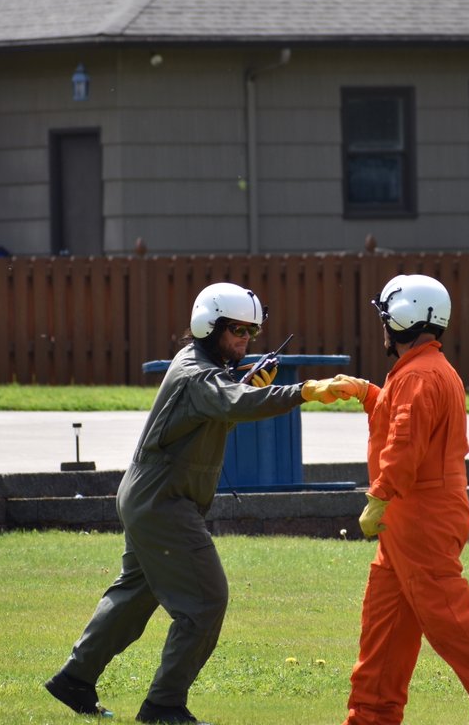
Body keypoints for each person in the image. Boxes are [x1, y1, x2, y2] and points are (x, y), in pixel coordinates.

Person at [45, 281, 351, 725]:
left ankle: (74, 679)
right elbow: (232, 402)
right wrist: (302, 391)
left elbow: (217, 412)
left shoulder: (207, 370)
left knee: (134, 595)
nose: (244, 341)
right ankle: (163, 706)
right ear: (209, 328)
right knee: (206, 602)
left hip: (153, 497)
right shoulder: (198, 373)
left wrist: (242, 384)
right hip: (163, 502)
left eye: (250, 333)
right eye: (236, 331)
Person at [332, 274, 469, 725]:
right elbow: (405, 417)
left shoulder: (420, 375)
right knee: (384, 634)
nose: (382, 327)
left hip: (418, 519)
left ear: (403, 319)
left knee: (454, 626)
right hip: (412, 520)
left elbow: (405, 443)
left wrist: (379, 498)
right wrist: (366, 393)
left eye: (385, 318)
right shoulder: (423, 372)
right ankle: (369, 718)